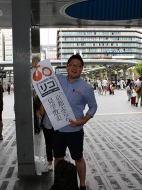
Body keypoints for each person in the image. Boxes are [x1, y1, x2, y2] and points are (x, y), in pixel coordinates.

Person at [54, 54, 97, 190]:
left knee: (78, 158)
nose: (75, 68)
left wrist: (82, 121)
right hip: (58, 129)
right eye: (72, 65)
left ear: (82, 69)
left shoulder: (86, 88)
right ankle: (59, 182)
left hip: (75, 131)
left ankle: (82, 184)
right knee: (58, 158)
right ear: (67, 67)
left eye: (78, 66)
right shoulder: (58, 80)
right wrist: (36, 65)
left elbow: (93, 106)